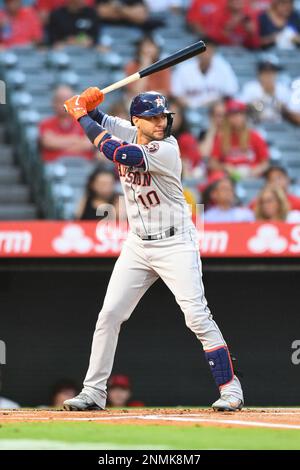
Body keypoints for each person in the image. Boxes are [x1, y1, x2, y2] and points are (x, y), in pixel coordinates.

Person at [62, 87, 244, 412]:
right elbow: (102, 121)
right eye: (153, 117)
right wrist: (86, 105)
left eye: (163, 116)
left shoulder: (167, 148)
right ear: (138, 120)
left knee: (197, 316)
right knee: (109, 315)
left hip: (176, 242)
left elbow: (116, 152)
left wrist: (79, 115)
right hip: (138, 244)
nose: (161, 122)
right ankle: (93, 391)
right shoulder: (132, 130)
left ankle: (231, 389)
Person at [171, 37, 239, 109]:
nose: (206, 54)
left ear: (214, 51)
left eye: (210, 51)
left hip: (214, 110)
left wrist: (215, 102)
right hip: (188, 110)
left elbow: (230, 92)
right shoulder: (184, 67)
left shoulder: (223, 67)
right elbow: (176, 94)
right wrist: (192, 107)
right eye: (203, 51)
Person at [210, 99, 270, 179]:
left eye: (240, 114)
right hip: (230, 178)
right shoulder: (222, 137)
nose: (236, 118)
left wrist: (255, 170)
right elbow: (213, 163)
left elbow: (265, 163)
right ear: (227, 118)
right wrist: (224, 167)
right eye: (232, 115)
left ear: (244, 115)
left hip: (251, 178)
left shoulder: (255, 136)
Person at [39, 85, 94, 163]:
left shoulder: (85, 122)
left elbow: (88, 145)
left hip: (82, 166)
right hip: (55, 167)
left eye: (68, 100)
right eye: (60, 100)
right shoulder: (46, 123)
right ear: (53, 103)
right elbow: (48, 142)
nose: (64, 104)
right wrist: (76, 139)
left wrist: (59, 143)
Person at [240, 54, 291, 123]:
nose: (269, 75)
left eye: (272, 71)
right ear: (259, 73)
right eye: (265, 71)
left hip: (279, 127)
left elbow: (292, 110)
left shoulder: (282, 89)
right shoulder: (250, 88)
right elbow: (240, 107)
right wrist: (252, 106)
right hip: (255, 126)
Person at [125, 35, 171, 101]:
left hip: (156, 102)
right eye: (145, 46)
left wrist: (147, 97)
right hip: (136, 103)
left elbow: (165, 93)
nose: (148, 50)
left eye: (151, 46)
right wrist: (144, 66)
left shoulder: (163, 67)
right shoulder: (131, 66)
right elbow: (134, 92)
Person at [169, 97, 203, 179]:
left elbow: (192, 164)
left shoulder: (186, 138)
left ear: (181, 118)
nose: (170, 119)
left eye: (173, 115)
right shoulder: (155, 137)